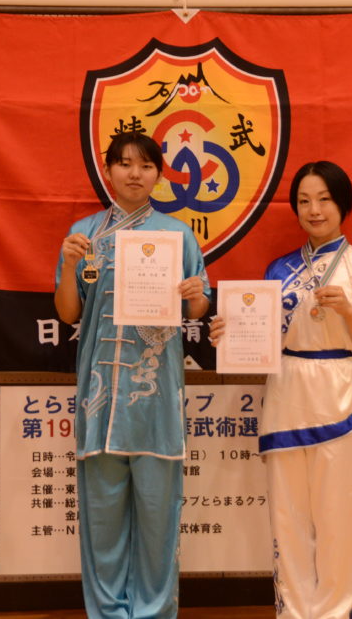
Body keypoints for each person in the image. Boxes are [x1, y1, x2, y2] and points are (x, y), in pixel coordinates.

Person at [210, 160, 352, 619]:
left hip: (342, 392)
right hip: (287, 390)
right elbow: (262, 341)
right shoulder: (279, 269)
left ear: (343, 204)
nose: (314, 210)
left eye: (324, 199)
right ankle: (293, 611)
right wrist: (228, 336)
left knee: (339, 517)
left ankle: (333, 612)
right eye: (304, 201)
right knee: (287, 518)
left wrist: (349, 312)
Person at [55, 131, 210, 619]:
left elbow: (200, 307)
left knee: (159, 519)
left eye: (145, 165)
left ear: (159, 174)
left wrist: (194, 295)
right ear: (107, 171)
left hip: (155, 400)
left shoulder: (177, 235)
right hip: (100, 399)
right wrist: (68, 266)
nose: (134, 174)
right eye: (124, 164)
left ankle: (154, 612)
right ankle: (107, 612)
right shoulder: (85, 235)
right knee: (101, 520)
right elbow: (68, 313)